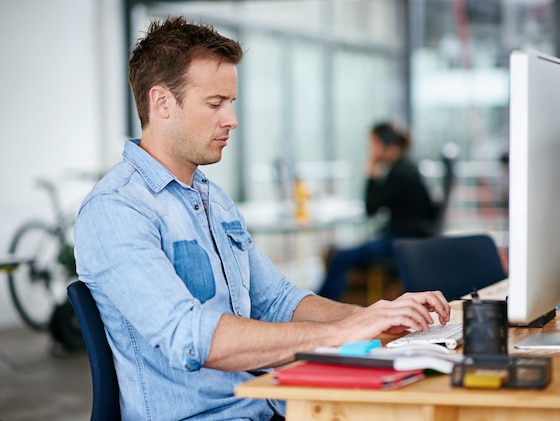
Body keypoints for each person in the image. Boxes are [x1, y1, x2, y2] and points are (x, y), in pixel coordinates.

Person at [73, 16, 450, 421]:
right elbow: (189, 338)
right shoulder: (116, 210)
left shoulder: (212, 199)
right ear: (162, 102)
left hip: (268, 404)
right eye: (215, 104)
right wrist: (341, 333)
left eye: (230, 104)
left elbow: (278, 301)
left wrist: (377, 316)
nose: (231, 119)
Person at [317, 122, 438, 301]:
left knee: (339, 257)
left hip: (398, 241)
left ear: (385, 143)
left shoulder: (399, 174)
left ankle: (322, 302)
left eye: (373, 145)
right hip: (409, 238)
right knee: (339, 254)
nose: (371, 150)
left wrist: (371, 172)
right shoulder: (407, 167)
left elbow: (371, 208)